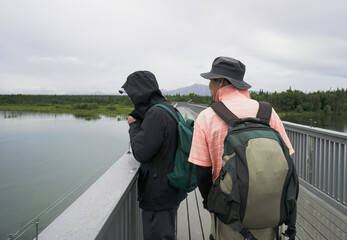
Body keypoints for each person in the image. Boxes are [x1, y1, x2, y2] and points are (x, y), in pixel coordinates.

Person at [188, 56, 295, 240]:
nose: (209, 86)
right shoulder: (268, 112)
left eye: (210, 81)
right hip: (270, 208)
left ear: (220, 81)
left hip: (229, 212)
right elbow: (288, 157)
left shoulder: (206, 117)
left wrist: (210, 203)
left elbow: (202, 172)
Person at [121, 70, 186, 240]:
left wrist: (134, 125)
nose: (130, 98)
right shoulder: (167, 108)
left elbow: (141, 152)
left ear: (139, 92)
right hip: (170, 189)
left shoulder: (156, 114)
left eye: (131, 93)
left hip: (159, 196)